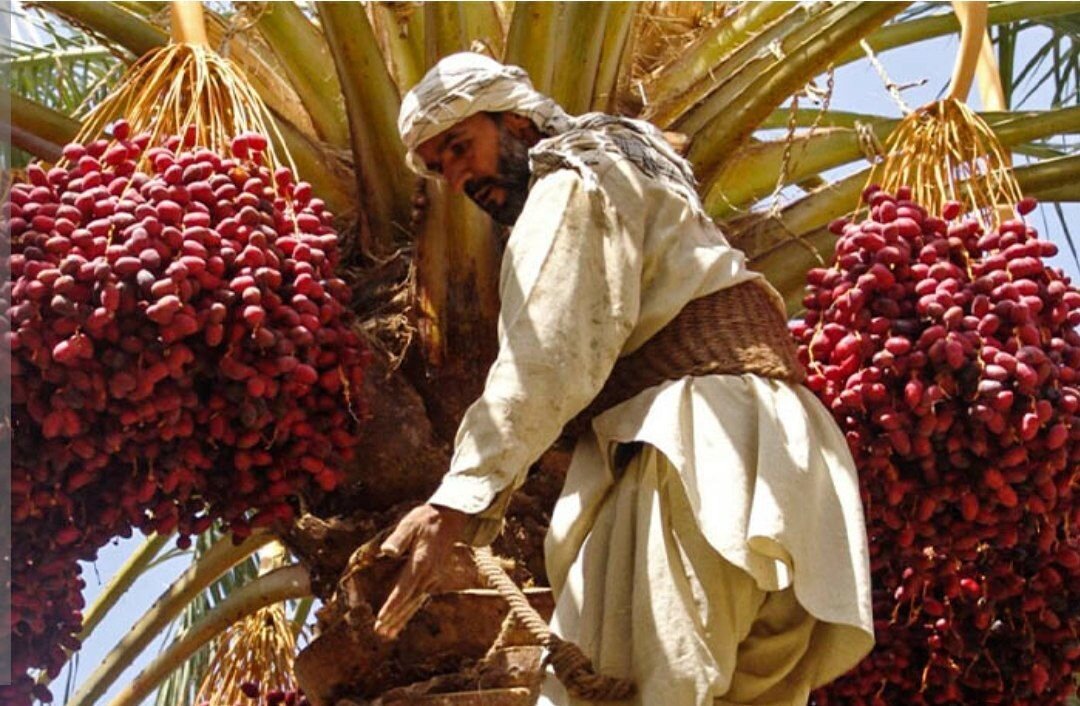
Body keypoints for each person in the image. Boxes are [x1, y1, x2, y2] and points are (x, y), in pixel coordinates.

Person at [375, 52, 875, 706]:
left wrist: (460, 496)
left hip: (692, 452)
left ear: (520, 123)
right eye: (441, 166)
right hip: (782, 458)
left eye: (462, 146)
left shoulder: (571, 183)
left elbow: (549, 353)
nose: (458, 177)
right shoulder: (631, 171)